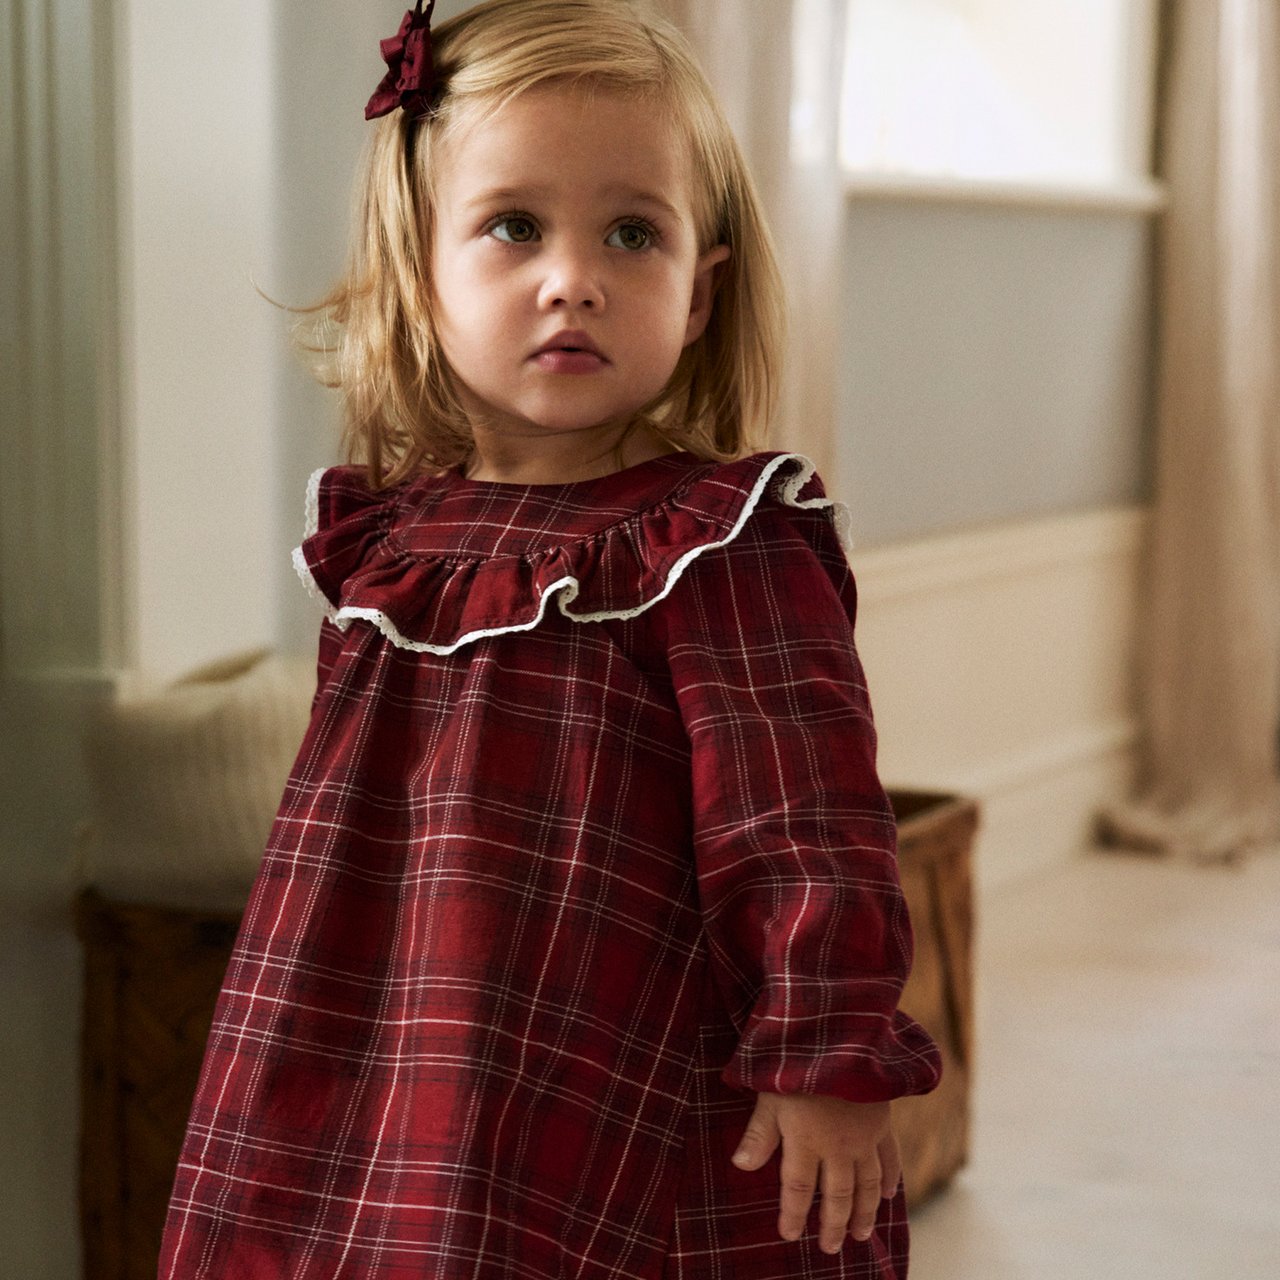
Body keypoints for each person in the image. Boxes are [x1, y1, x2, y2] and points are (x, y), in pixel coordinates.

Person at [158, 1, 942, 1276]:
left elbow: (804, 821)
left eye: (632, 232)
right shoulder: (386, 542)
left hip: (614, 1035)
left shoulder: (719, 538)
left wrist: (824, 1045)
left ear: (699, 293)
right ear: (422, 269)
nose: (572, 277)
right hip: (387, 1026)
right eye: (513, 225)